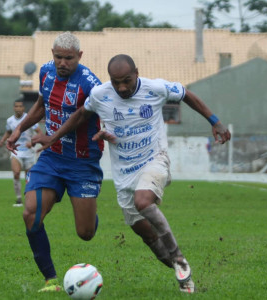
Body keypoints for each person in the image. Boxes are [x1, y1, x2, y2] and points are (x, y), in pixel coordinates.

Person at [34, 54, 231, 294]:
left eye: (127, 80)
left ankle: (179, 258)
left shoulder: (155, 88)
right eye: (116, 82)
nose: (122, 87)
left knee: (143, 201)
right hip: (124, 174)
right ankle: (185, 279)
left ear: (136, 72)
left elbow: (186, 94)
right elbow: (80, 115)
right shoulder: (100, 94)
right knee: (146, 235)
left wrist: (215, 121)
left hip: (154, 160)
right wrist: (53, 136)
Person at [5, 32, 103, 292]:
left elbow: (82, 117)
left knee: (86, 233)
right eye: (58, 56)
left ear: (79, 57)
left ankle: (90, 214)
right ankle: (50, 280)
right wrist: (19, 129)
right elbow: (41, 105)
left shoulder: (91, 84)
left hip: (82, 161)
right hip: (52, 156)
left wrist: (52, 135)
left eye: (68, 58)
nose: (62, 62)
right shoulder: (46, 73)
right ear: (52, 54)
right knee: (30, 213)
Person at [0, 99, 41, 207]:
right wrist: (3, 140)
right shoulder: (10, 120)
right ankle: (18, 199)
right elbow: (8, 132)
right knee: (16, 173)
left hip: (29, 152)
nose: (18, 108)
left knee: (29, 177)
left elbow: (39, 132)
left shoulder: (29, 119)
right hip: (16, 151)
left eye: (20, 106)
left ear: (23, 108)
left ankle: (29, 198)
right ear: (14, 108)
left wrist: (32, 142)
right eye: (16, 106)